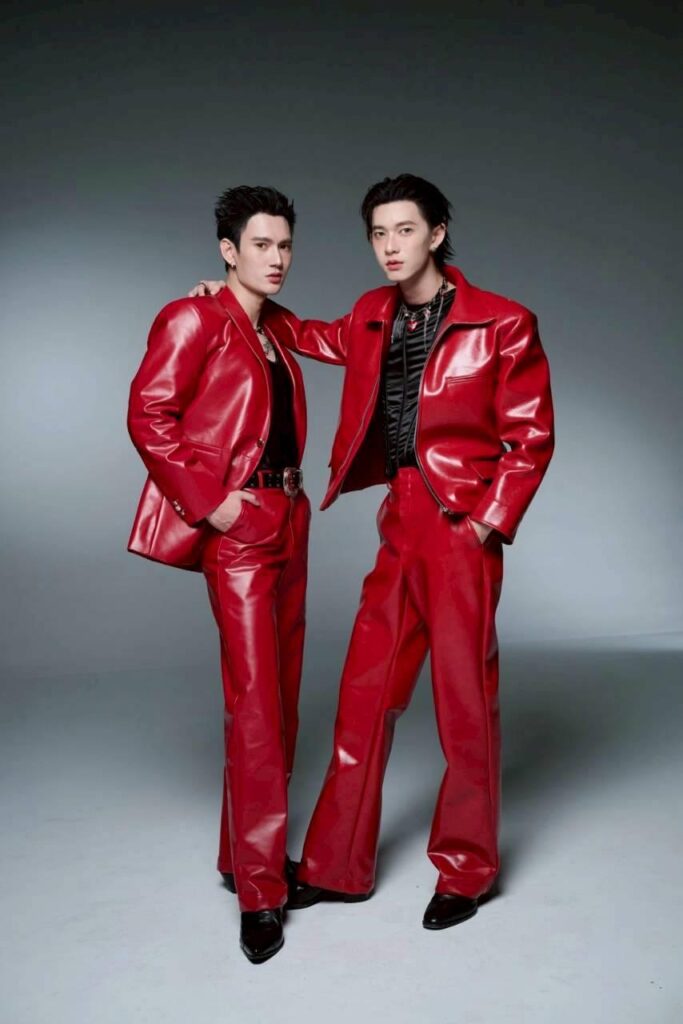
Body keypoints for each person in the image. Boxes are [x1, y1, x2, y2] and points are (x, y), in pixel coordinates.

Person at [190, 172, 555, 930]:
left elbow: (531, 437)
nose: (390, 246)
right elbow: (304, 334)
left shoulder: (502, 322)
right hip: (399, 518)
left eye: (404, 230)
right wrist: (231, 295)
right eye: (378, 233)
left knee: (463, 703)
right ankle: (337, 866)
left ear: (437, 233)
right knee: (363, 696)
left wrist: (486, 522)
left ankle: (466, 869)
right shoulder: (369, 314)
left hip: (458, 524)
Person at [128, 185, 310, 963]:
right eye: (260, 245)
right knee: (256, 702)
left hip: (291, 517)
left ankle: (244, 857)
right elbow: (148, 413)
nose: (276, 258)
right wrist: (214, 505)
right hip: (239, 526)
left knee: (282, 698)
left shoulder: (273, 330)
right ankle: (261, 894)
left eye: (284, 245)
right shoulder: (192, 318)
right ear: (227, 250)